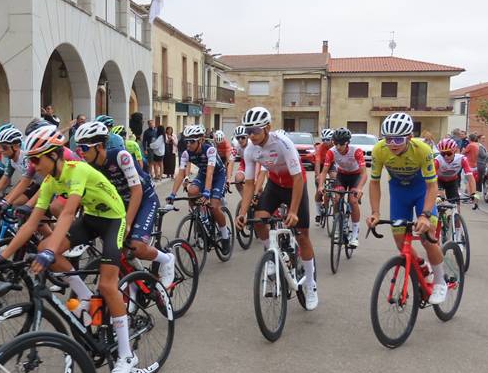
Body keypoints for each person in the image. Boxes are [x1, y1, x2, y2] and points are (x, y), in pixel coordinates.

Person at [0, 127, 138, 373]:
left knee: (107, 285)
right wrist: (3, 256)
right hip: (93, 219)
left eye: (36, 159)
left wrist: (51, 252)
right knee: (42, 246)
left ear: (53, 155)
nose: (32, 165)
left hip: (113, 220)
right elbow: (31, 224)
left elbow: (67, 213)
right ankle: (84, 296)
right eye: (30, 160)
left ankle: (127, 354)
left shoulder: (78, 171)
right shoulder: (52, 181)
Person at [234, 107, 319, 308]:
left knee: (302, 235)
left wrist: (293, 211)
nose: (251, 135)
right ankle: (270, 255)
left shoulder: (283, 144)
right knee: (259, 221)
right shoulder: (250, 150)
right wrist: (243, 212)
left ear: (267, 128)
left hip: (294, 185)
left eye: (255, 130)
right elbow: (248, 183)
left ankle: (311, 282)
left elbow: (298, 178)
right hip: (274, 185)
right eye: (248, 131)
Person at [74, 121, 175, 285]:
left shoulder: (121, 156)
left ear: (99, 146)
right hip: (121, 204)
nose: (81, 153)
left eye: (84, 148)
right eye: (79, 149)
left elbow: (137, 191)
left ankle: (166, 259)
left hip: (144, 200)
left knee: (137, 247)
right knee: (117, 250)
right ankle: (137, 280)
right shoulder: (89, 166)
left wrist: (127, 224)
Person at [365, 112, 449, 305]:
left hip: (421, 192)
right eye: (388, 139)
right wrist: (375, 212)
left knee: (428, 239)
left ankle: (440, 281)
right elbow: (374, 183)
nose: (392, 143)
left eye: (398, 139)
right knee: (401, 244)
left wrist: (425, 215)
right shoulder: (379, 150)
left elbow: (432, 186)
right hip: (399, 193)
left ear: (409, 137)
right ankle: (421, 265)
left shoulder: (422, 150)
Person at [168, 124, 230, 252]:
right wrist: (172, 195)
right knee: (192, 191)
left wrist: (207, 193)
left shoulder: (210, 150)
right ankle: (201, 218)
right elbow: (180, 174)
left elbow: (211, 173)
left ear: (201, 140)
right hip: (202, 174)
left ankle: (225, 235)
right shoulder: (186, 153)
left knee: (213, 206)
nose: (188, 144)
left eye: (192, 141)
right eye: (187, 141)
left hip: (218, 176)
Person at [315, 127, 368, 248]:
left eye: (341, 144)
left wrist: (359, 188)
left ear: (347, 143)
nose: (338, 147)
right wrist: (321, 185)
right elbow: (324, 172)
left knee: (353, 200)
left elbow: (364, 173)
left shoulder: (356, 151)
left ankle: (354, 234)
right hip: (342, 176)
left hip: (356, 176)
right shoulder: (332, 151)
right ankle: (339, 226)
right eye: (335, 143)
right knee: (336, 198)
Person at [434, 138, 477, 202]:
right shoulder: (437, 160)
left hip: (452, 181)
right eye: (443, 154)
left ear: (454, 151)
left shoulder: (462, 159)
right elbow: (432, 180)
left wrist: (473, 194)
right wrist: (437, 193)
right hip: (439, 181)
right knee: (440, 199)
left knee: (456, 202)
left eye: (449, 153)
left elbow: (470, 178)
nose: (446, 156)